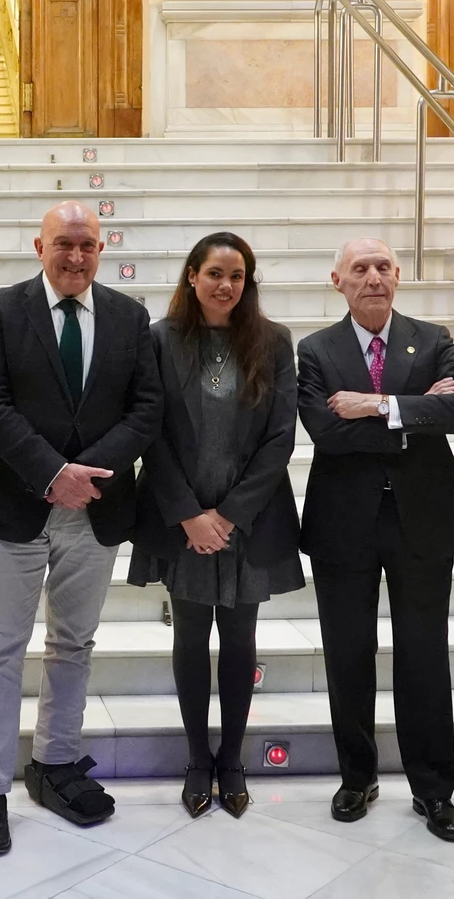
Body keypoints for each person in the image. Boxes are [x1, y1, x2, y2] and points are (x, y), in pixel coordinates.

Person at [0, 200, 164, 855]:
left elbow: (146, 409)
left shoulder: (130, 317)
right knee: (0, 649)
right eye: (63, 244)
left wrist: (89, 472)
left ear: (101, 248)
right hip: (15, 505)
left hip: (97, 508)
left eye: (87, 245)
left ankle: (53, 763)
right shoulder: (2, 309)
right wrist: (52, 472)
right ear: (39, 245)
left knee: (73, 642)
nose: (75, 256)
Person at [296, 237, 454, 843]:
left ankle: (433, 790)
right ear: (337, 280)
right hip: (342, 523)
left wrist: (375, 405)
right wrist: (413, 411)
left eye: (382, 267)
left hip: (423, 519)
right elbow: (325, 431)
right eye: (359, 269)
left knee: (424, 655)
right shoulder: (315, 349)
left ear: (398, 275)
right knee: (347, 654)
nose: (372, 277)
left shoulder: (432, 339)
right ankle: (357, 776)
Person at [128, 232, 304, 820]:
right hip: (181, 519)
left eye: (237, 275)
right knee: (188, 638)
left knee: (239, 640)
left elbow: (281, 436)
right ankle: (197, 759)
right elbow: (149, 432)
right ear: (191, 278)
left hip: (245, 522)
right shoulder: (160, 340)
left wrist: (228, 516)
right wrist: (189, 516)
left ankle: (231, 760)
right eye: (214, 274)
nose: (225, 285)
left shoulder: (274, 342)